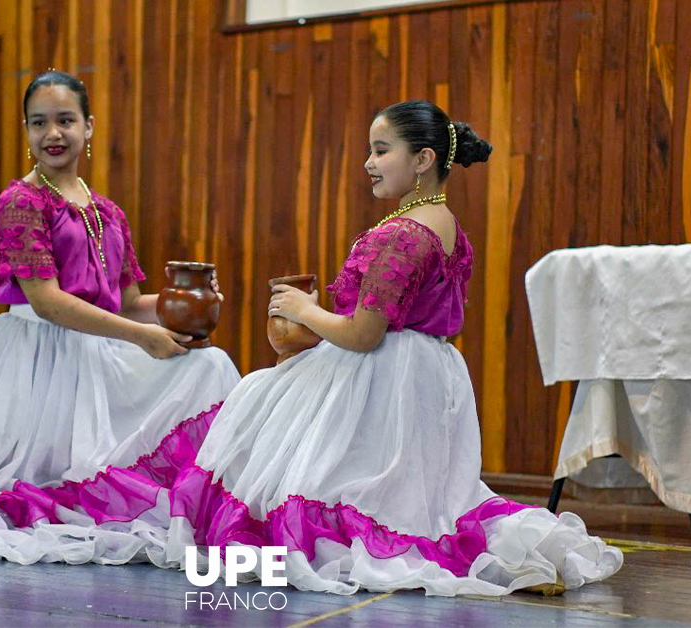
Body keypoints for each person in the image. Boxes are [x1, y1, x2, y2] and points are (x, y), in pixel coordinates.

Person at [159, 100, 623, 595]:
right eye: (369, 151)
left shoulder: (402, 233)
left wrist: (302, 309)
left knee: (259, 400)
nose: (369, 163)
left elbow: (364, 333)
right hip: (430, 370)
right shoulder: (443, 223)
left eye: (381, 151)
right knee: (416, 497)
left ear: (422, 160)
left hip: (383, 375)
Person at [0, 71, 240, 564]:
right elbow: (48, 302)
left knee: (210, 366)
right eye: (39, 123)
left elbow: (126, 302)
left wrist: (186, 307)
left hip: (97, 349)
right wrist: (143, 337)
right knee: (30, 488)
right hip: (36, 356)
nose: (53, 134)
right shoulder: (22, 201)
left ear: (90, 127)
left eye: (65, 120)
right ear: (26, 130)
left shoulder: (107, 211)